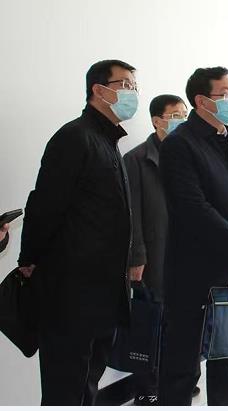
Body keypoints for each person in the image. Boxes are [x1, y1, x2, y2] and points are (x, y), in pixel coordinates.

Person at [18, 59, 138, 405]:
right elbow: (45, 206)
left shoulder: (108, 141)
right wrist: (29, 258)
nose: (132, 93)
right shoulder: (74, 138)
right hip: (71, 295)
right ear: (98, 90)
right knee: (65, 389)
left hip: (102, 294)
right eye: (124, 85)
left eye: (134, 86)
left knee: (87, 385)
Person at [157, 66, 228, 406]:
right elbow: (192, 209)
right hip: (193, 275)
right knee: (182, 367)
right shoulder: (179, 145)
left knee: (227, 364)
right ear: (202, 101)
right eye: (225, 93)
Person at [123, 94, 196, 405]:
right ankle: (147, 387)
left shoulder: (189, 154)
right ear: (157, 121)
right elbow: (132, 213)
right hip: (154, 255)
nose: (182, 120)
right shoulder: (137, 159)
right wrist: (137, 256)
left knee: (182, 325)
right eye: (175, 115)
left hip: (187, 256)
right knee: (151, 325)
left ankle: (178, 379)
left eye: (184, 114)